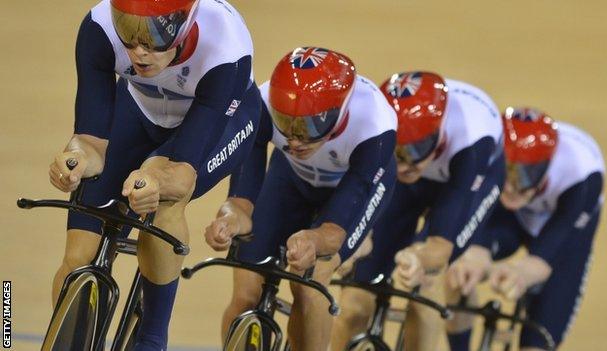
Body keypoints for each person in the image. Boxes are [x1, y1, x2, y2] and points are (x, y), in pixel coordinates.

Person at [47, 0, 262, 349]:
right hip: (141, 108)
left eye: (154, 38)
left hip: (217, 121)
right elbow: (90, 141)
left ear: (186, 25)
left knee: (164, 199)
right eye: (129, 35)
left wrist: (153, 180)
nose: (139, 51)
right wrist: (74, 162)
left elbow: (181, 174)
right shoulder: (98, 28)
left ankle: (151, 336)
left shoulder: (226, 50)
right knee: (77, 256)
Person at [204, 47, 398, 351]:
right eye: (287, 124)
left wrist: (314, 240)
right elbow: (241, 199)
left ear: (340, 111)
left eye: (308, 128)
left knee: (310, 283)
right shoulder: (263, 104)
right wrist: (230, 218)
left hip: (351, 186)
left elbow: (332, 234)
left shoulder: (375, 126)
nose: (294, 140)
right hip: (291, 175)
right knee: (246, 290)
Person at [331, 71, 505, 351]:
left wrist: (419, 256)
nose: (403, 165)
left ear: (440, 132)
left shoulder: (473, 141)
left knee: (427, 281)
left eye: (415, 150)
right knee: (355, 301)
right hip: (414, 182)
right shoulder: (377, 123)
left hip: (465, 181)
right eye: (397, 152)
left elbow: (441, 245)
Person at [446, 107, 605, 351]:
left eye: (523, 177)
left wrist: (519, 274)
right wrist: (472, 255)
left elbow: (538, 265)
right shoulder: (487, 149)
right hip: (509, 218)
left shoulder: (582, 174)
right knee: (458, 271)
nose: (510, 187)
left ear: (547, 167)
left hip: (565, 226)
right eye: (504, 173)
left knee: (538, 341)